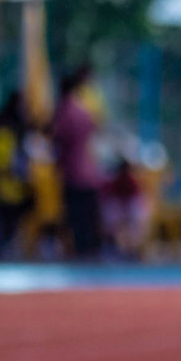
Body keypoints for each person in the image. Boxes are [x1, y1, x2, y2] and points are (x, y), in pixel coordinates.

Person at [51, 67, 104, 258]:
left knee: (76, 214)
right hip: (89, 168)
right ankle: (91, 248)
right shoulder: (84, 109)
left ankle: (81, 249)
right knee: (89, 214)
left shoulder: (64, 111)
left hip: (73, 170)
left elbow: (58, 137)